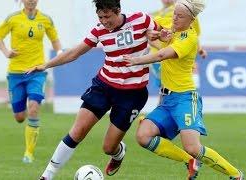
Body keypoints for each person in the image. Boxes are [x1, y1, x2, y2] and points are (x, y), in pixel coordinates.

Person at [26, 0, 164, 179]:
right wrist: (45, 65)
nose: (104, 21)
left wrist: (158, 34)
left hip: (133, 94)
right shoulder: (99, 30)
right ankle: (47, 175)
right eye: (100, 17)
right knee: (77, 131)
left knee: (108, 147)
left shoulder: (141, 20)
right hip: (104, 86)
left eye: (107, 17)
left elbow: (161, 32)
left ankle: (118, 152)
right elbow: (74, 52)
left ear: (118, 11)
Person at [123, 0, 244, 179]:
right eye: (174, 14)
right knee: (143, 136)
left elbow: (164, 54)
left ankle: (236, 175)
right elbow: (150, 32)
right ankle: (190, 161)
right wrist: (155, 35)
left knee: (193, 147)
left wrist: (137, 60)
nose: (175, 18)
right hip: (167, 101)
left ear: (191, 20)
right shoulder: (171, 31)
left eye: (180, 16)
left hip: (185, 98)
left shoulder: (189, 37)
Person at [0, 0, 62, 163]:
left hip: (37, 71)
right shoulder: (13, 18)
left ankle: (29, 153)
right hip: (16, 73)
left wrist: (59, 52)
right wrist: (6, 52)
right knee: (19, 117)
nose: (31, 1)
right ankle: (22, 109)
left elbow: (55, 39)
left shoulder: (46, 19)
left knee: (34, 108)